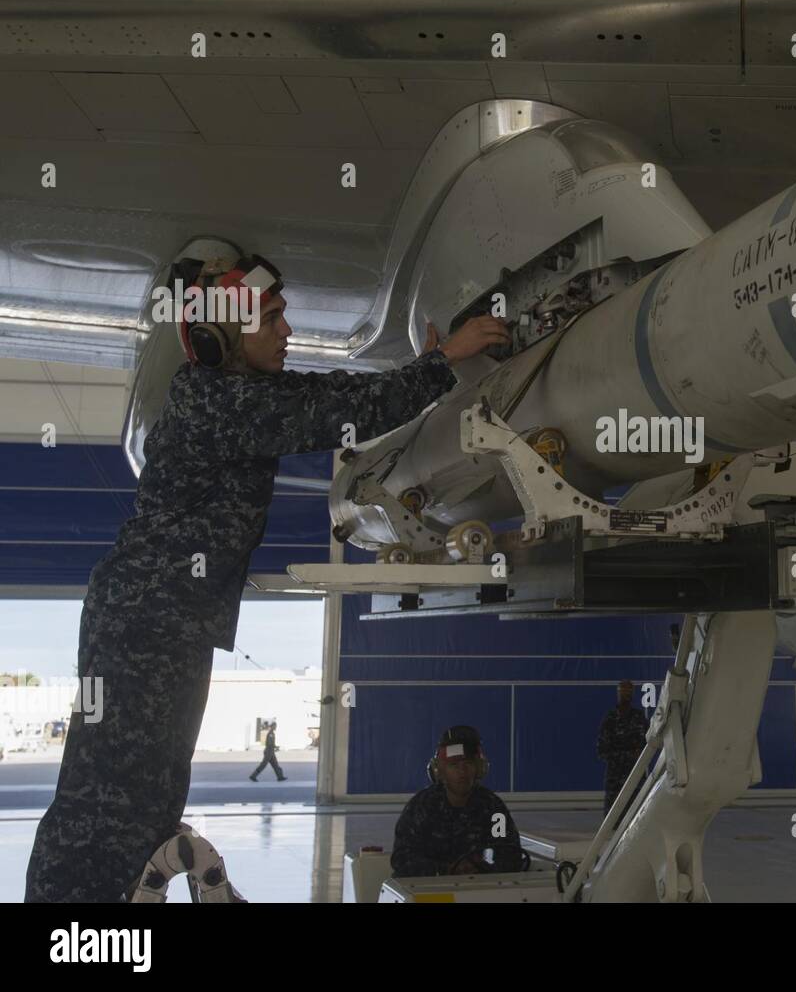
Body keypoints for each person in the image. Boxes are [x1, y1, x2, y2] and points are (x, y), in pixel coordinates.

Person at [25, 254, 509, 902]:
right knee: (115, 803)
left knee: (144, 794)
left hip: (156, 621)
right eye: (272, 319)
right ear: (224, 334)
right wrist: (444, 358)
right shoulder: (223, 404)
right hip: (148, 626)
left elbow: (328, 398)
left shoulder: (222, 399)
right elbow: (335, 404)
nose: (286, 332)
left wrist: (428, 369)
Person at [390, 725, 523, 877]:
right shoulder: (421, 807)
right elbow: (402, 859)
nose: (462, 771)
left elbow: (509, 854)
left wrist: (480, 867)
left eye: (468, 763)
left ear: (479, 769)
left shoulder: (492, 809)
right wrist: (445, 870)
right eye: (454, 765)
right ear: (439, 771)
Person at [597, 680, 647, 815]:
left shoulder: (639, 718)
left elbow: (648, 745)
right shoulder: (610, 719)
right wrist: (626, 755)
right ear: (618, 694)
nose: (625, 695)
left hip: (635, 776)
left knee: (637, 816)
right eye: (622, 692)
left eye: (628, 692)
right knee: (613, 820)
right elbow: (602, 751)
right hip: (615, 779)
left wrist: (637, 755)